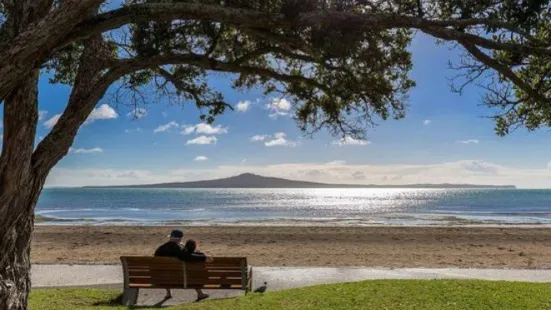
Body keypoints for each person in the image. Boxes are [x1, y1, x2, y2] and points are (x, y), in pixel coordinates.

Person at [154, 229, 211, 301]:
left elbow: (185, 255)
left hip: (162, 278)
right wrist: (204, 257)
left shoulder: (160, 249)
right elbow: (187, 257)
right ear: (180, 238)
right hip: (181, 278)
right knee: (192, 269)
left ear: (170, 237)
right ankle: (200, 293)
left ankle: (168, 293)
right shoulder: (177, 248)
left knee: (165, 269)